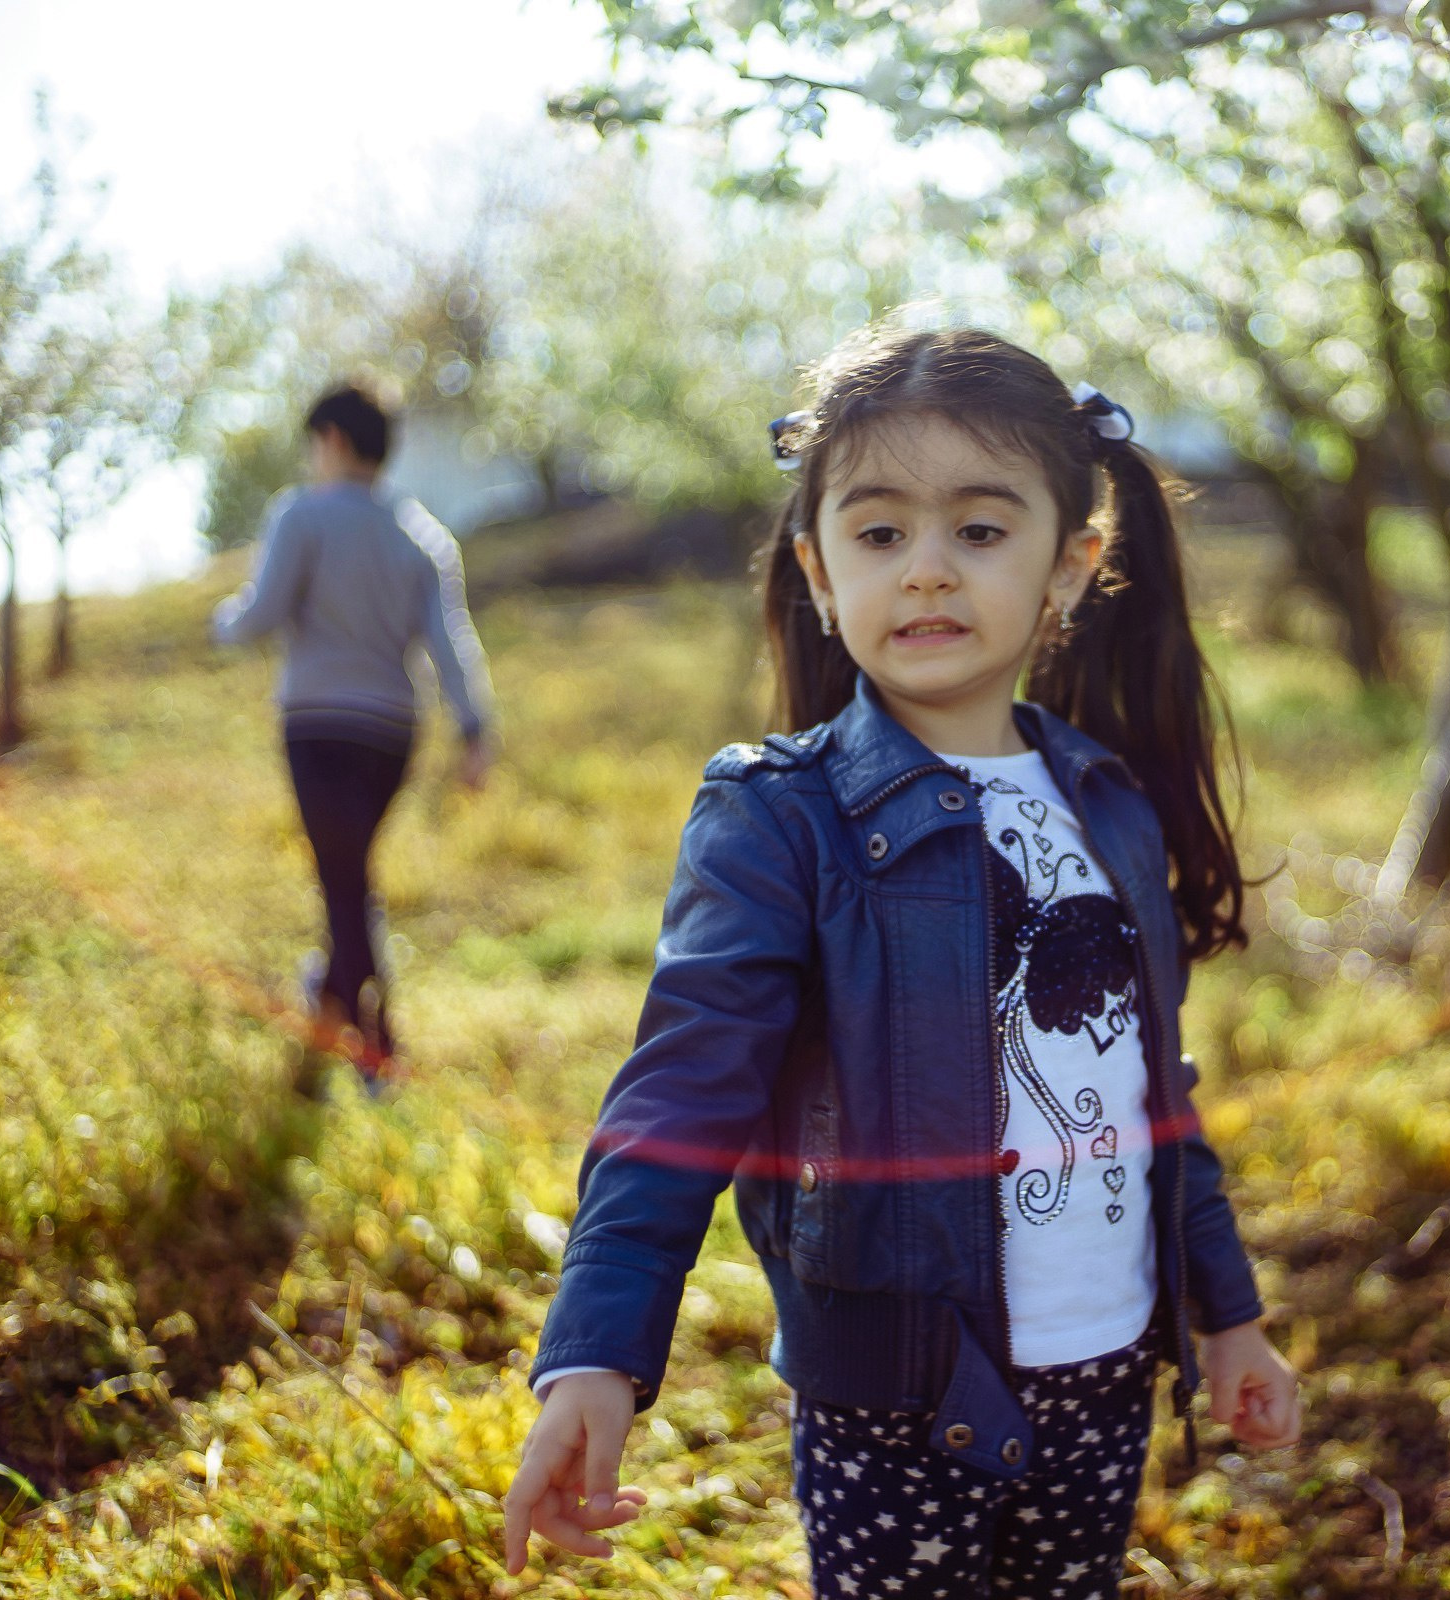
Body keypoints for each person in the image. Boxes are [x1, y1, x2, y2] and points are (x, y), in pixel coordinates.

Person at [500, 325, 1300, 1597]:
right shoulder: (782, 815)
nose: (927, 572)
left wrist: (1231, 1316)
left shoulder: (1110, 803)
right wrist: (594, 1350)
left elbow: (1158, 1095)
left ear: (1072, 566)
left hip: (1107, 1369)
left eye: (980, 531)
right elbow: (680, 1092)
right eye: (880, 536)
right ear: (820, 572)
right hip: (895, 1395)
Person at [210, 384, 495, 1084]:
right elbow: (449, 642)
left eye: (314, 444)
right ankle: (331, 999)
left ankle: (378, 1045)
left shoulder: (301, 516)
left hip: (316, 727)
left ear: (333, 439)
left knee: (342, 879)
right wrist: (475, 728)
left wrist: (222, 620)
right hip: (393, 732)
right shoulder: (422, 534)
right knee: (348, 873)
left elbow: (260, 613)